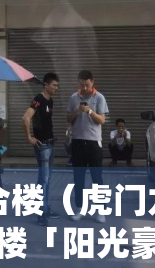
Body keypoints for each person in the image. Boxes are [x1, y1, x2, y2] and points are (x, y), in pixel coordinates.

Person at [66, 70, 109, 223]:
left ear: (92, 82)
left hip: (93, 142)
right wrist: (77, 111)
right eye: (81, 85)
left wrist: (90, 111)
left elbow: (102, 120)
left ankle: (101, 210)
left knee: (97, 177)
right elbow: (68, 118)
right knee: (78, 177)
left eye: (87, 85)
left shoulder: (99, 97)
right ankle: (80, 209)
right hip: (77, 142)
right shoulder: (74, 97)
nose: (84, 88)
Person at [21, 72, 61, 227]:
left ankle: (44, 207)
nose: (56, 88)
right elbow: (26, 118)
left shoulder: (50, 101)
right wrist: (29, 138)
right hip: (42, 146)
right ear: (46, 84)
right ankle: (41, 212)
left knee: (47, 179)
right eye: (54, 85)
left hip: (50, 143)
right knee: (43, 179)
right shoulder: (38, 99)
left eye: (57, 85)